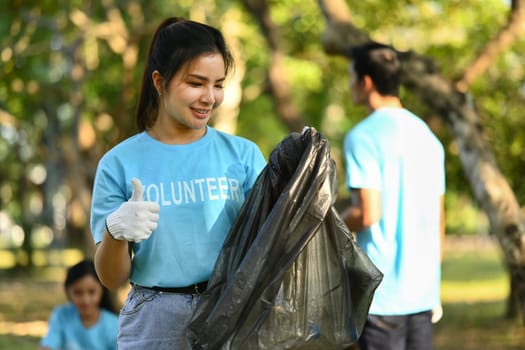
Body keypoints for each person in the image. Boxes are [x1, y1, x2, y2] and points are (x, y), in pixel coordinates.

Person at [89, 17, 266, 349]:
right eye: (196, 83)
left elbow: (272, 244)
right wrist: (115, 231)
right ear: (160, 81)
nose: (210, 97)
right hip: (154, 319)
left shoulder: (244, 155)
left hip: (231, 312)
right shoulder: (119, 163)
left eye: (218, 84)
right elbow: (111, 278)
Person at [341, 42, 446, 350]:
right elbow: (439, 220)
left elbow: (368, 213)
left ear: (367, 82)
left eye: (351, 77)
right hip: (424, 292)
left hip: (382, 297)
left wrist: (332, 224)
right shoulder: (428, 137)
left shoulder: (362, 137)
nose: (349, 86)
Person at [40, 259, 119, 350]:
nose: (85, 300)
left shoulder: (114, 324)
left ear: (102, 289)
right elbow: (49, 345)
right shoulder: (61, 315)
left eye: (92, 292)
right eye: (78, 292)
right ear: (68, 291)